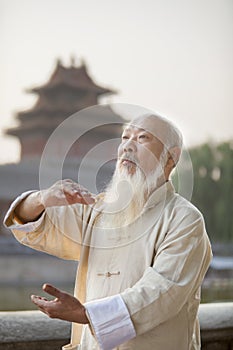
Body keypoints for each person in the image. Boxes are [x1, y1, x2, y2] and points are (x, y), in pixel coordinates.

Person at [4, 113, 212, 350]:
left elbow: (164, 291)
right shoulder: (99, 209)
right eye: (125, 137)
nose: (128, 146)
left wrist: (86, 314)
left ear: (171, 157)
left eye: (142, 138)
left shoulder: (184, 219)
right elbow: (34, 224)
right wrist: (42, 198)